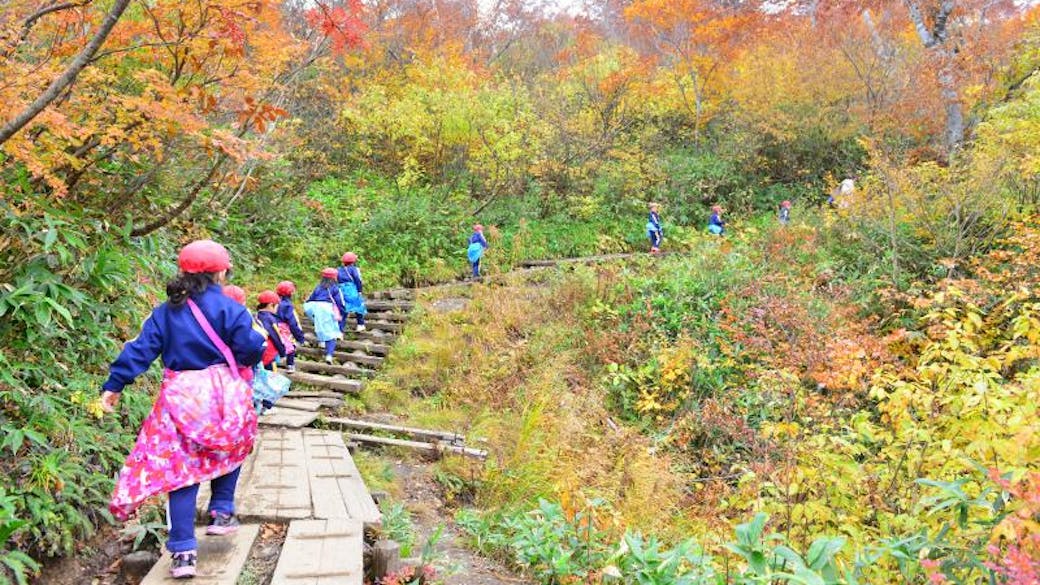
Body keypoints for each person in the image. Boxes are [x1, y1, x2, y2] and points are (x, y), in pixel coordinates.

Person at [101, 240, 265, 579]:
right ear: (221, 272)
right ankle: (221, 512)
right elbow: (249, 349)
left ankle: (183, 552)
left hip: (181, 396)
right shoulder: (232, 308)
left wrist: (114, 385)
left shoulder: (166, 311)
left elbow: (140, 349)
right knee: (233, 447)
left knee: (181, 471)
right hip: (223, 393)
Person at [305, 268, 347, 365]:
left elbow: (311, 298)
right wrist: (342, 312)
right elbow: (340, 302)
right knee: (331, 332)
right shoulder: (335, 288)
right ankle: (329, 355)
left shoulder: (318, 287)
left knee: (320, 326)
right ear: (334, 278)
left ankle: (322, 342)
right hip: (328, 308)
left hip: (316, 308)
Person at [275, 281, 306, 373]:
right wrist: (300, 337)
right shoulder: (287, 306)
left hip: (274, 325)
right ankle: (290, 365)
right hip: (284, 328)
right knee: (291, 345)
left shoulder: (275, 302)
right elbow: (292, 322)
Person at [255, 290, 288, 371]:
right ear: (270, 305)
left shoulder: (256, 316)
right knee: (272, 376)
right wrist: (282, 353)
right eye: (277, 306)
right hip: (269, 354)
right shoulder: (270, 319)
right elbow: (276, 337)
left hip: (259, 353)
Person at [337, 253, 368, 333]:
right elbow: (358, 279)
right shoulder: (354, 269)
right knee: (359, 306)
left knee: (343, 309)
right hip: (351, 289)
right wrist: (359, 290)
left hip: (341, 290)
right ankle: (360, 324)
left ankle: (340, 329)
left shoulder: (339, 269)